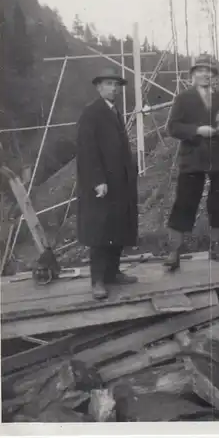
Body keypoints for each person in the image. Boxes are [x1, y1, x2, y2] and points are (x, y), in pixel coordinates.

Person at [164, 54, 219, 270]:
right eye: (201, 71)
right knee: (185, 203)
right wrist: (197, 130)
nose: (205, 74)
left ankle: (215, 247)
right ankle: (175, 251)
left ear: (213, 75)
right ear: (193, 75)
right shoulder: (183, 98)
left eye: (209, 71)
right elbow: (173, 127)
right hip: (193, 158)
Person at [76, 67, 138, 299]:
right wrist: (97, 181)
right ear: (98, 87)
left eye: (116, 85)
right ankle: (98, 281)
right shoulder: (92, 113)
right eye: (108, 84)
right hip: (102, 186)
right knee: (100, 232)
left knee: (117, 227)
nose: (113, 88)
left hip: (120, 183)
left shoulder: (114, 111)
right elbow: (87, 151)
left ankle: (113, 273)